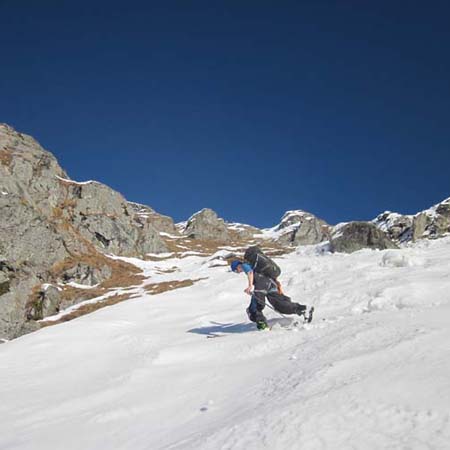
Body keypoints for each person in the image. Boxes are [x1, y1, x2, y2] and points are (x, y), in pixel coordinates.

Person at [230, 259, 313, 330]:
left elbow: (250, 272)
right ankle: (304, 309)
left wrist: (250, 286)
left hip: (261, 283)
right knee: (280, 305)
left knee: (255, 306)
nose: (239, 272)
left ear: (237, 266)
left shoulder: (244, 264)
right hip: (271, 283)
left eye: (236, 271)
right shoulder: (256, 265)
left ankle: (262, 324)